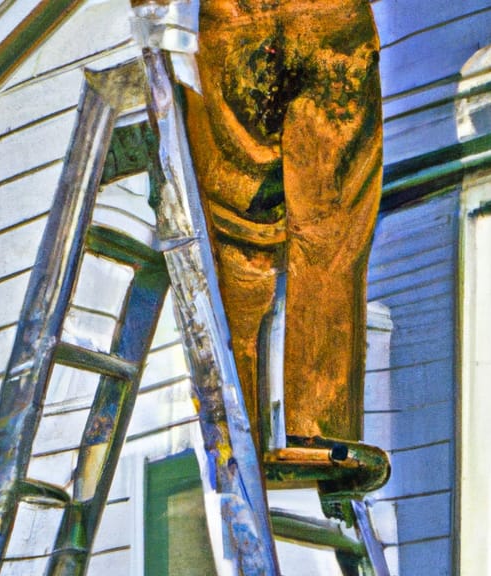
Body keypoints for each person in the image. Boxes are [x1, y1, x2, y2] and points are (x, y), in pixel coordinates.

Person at [183, 0, 382, 448]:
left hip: (228, 26)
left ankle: (239, 435)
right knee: (330, 236)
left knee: (237, 248)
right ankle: (320, 433)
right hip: (330, 22)